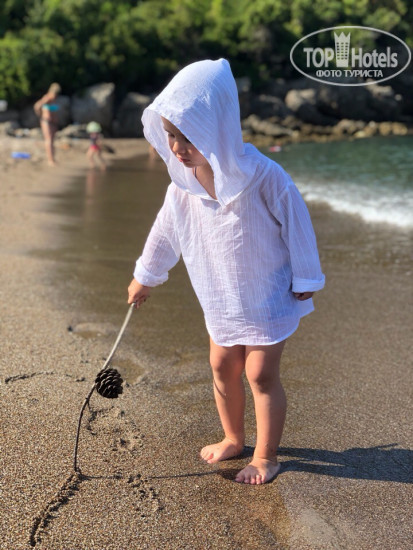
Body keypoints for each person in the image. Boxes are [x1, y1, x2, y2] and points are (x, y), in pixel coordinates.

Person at [127, 59, 325, 485]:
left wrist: (307, 277)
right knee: (220, 365)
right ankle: (233, 437)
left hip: (267, 295)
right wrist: (146, 275)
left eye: (188, 136)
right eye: (171, 135)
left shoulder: (264, 176)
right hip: (220, 296)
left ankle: (266, 456)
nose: (177, 147)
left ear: (218, 128)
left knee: (260, 374)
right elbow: (165, 233)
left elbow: (296, 222)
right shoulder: (182, 187)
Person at [34, 83, 61, 166]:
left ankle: (53, 158)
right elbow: (37, 106)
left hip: (53, 123)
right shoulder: (47, 98)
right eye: (55, 94)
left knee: (52, 140)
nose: (56, 96)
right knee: (48, 140)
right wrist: (41, 115)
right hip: (46, 122)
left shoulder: (54, 99)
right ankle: (50, 160)